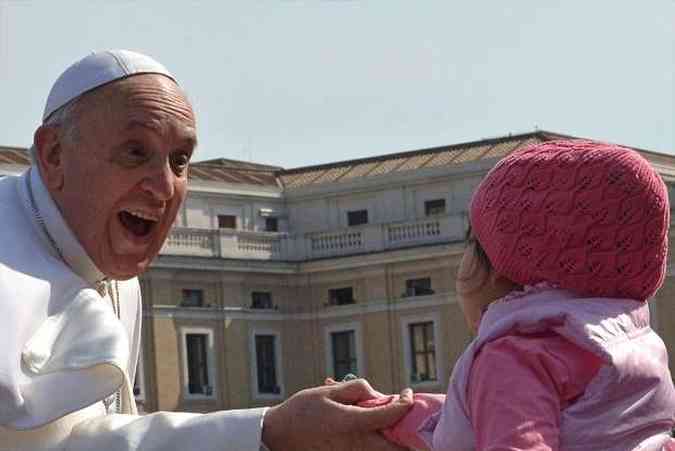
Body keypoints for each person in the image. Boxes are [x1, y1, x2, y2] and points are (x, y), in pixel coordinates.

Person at [0, 49, 413, 451]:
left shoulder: (112, 273)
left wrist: (272, 430)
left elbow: (98, 435)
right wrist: (267, 431)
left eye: (179, 161)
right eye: (135, 152)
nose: (164, 187)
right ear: (54, 155)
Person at [363, 139, 675, 450]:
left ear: (500, 264)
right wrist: (388, 412)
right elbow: (480, 424)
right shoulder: (638, 349)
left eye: (470, 241)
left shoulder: (512, 359)